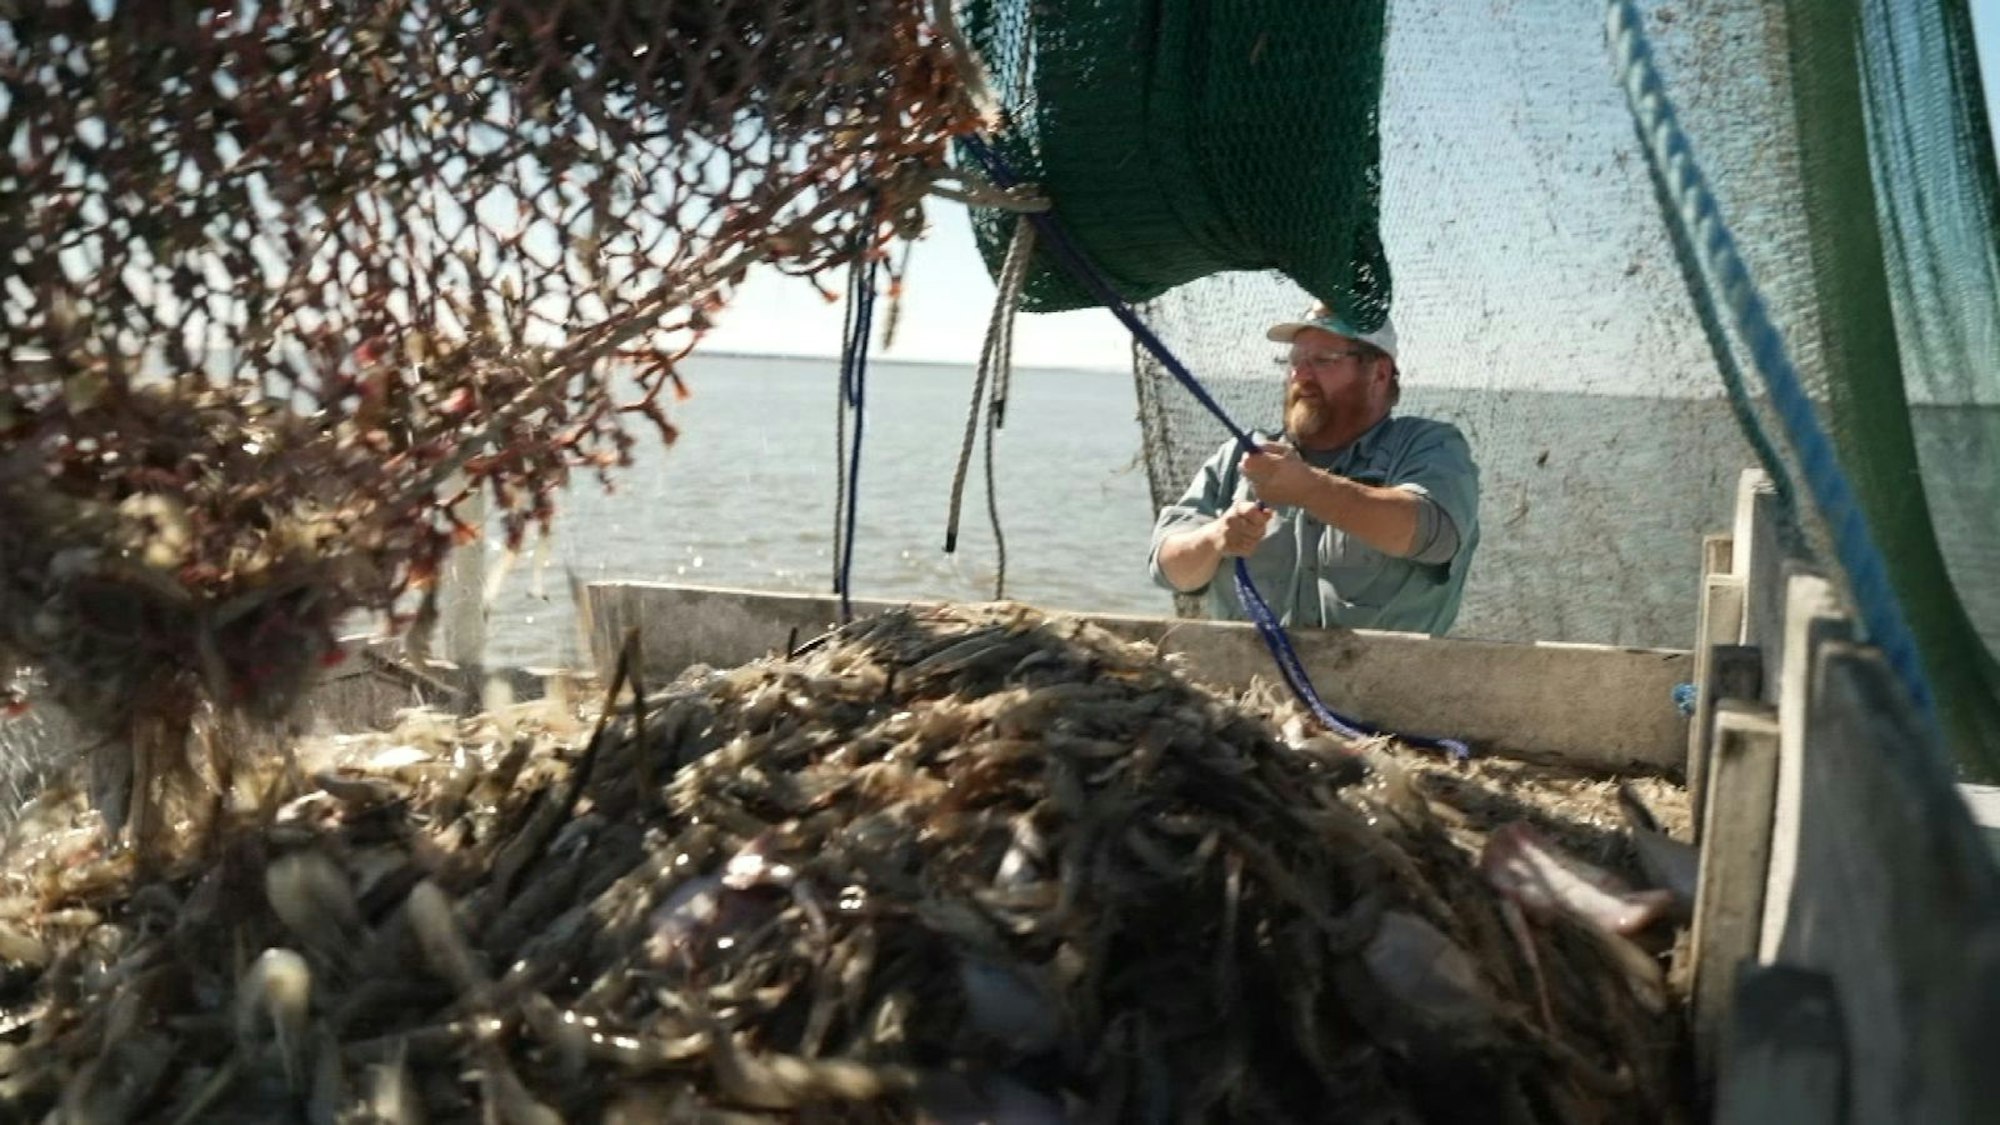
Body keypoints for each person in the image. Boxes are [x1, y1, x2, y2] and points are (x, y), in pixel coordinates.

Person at [1148, 303, 1480, 634]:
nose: (1300, 375)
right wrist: (1215, 537)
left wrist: (1310, 489)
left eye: (1323, 361)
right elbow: (1166, 568)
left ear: (1379, 373)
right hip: (1246, 681)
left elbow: (1436, 536)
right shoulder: (1242, 453)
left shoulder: (1428, 445)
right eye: (1294, 361)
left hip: (1381, 683)